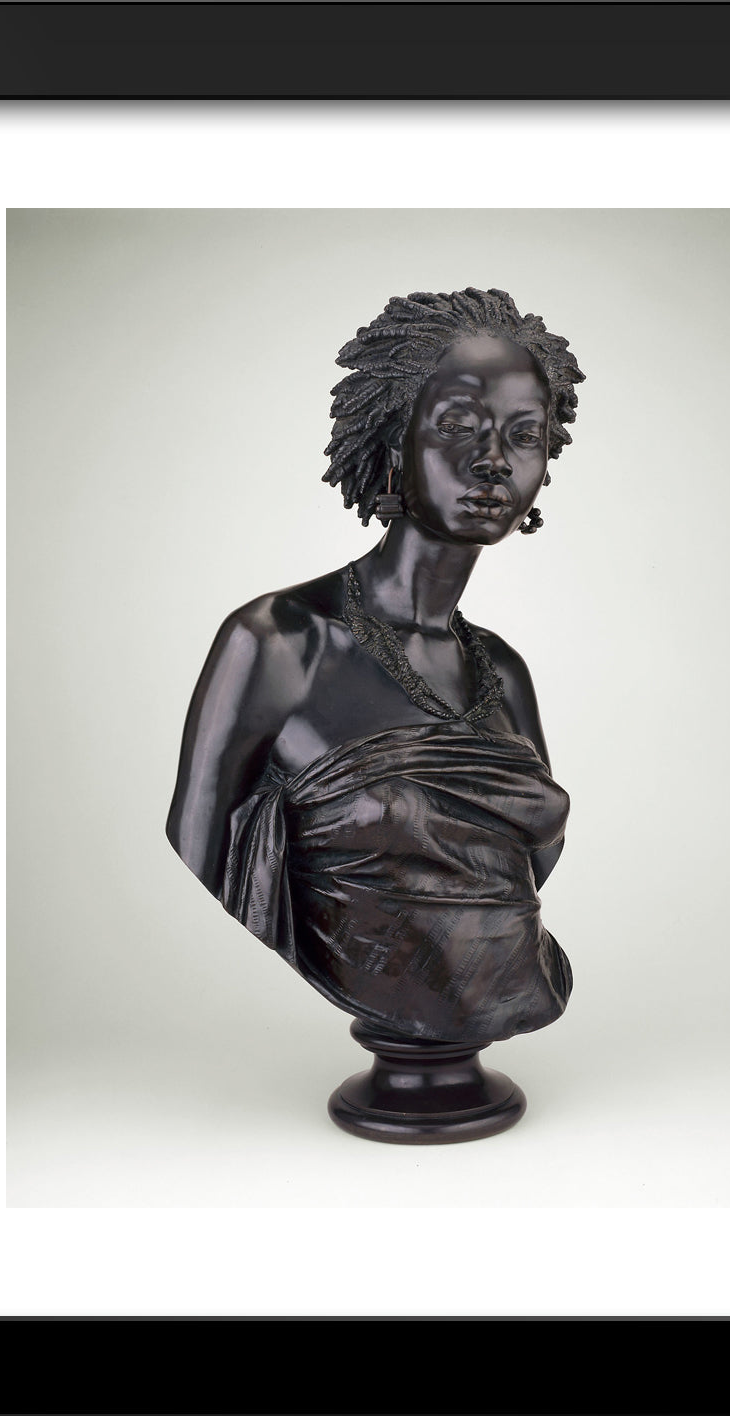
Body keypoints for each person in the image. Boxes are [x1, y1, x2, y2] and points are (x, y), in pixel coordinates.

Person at [166, 288, 585, 1045]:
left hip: (509, 979)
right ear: (395, 443)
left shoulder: (503, 671)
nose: (492, 459)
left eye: (523, 434)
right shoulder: (278, 641)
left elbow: (531, 861)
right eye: (456, 425)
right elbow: (203, 839)